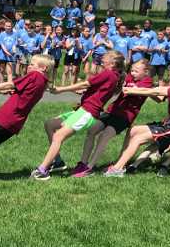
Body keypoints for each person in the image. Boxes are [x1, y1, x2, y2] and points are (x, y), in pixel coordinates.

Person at [31, 50, 126, 180]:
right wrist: (84, 92)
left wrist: (61, 89)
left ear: (113, 63)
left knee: (58, 136)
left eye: (105, 56)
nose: (102, 57)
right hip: (83, 109)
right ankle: (57, 162)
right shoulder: (112, 75)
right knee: (50, 124)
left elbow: (86, 83)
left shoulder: (109, 73)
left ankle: (42, 170)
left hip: (87, 112)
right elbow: (96, 90)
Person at [104, 62, 170, 177]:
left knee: (138, 139)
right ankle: (121, 162)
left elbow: (158, 92)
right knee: (133, 130)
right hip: (169, 122)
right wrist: (136, 89)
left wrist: (133, 90)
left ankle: (117, 169)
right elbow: (159, 93)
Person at [71, 59, 154, 177]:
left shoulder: (147, 81)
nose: (132, 73)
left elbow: (137, 90)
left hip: (124, 116)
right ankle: (83, 163)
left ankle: (90, 167)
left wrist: (128, 88)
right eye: (132, 70)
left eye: (136, 71)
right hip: (111, 111)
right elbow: (116, 86)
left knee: (104, 136)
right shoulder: (129, 77)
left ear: (145, 72)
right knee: (91, 130)